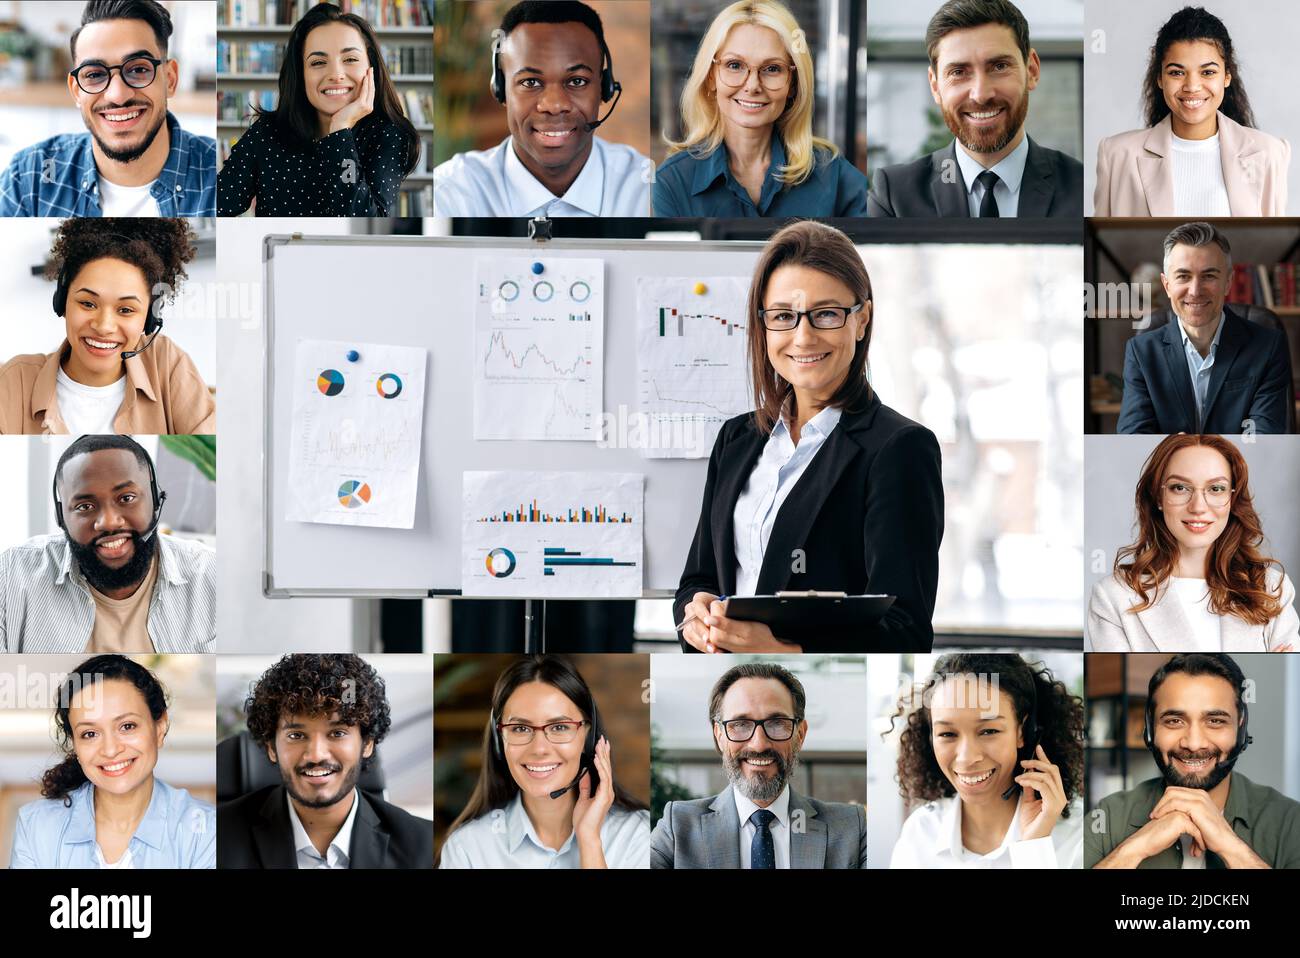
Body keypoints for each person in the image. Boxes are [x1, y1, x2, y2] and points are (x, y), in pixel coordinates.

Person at [675, 220, 943, 654]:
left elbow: (906, 629)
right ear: (763, 327)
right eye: (783, 316)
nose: (803, 336)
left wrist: (785, 651)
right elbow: (699, 579)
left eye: (826, 314)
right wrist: (695, 614)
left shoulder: (899, 449)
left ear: (861, 320)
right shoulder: (736, 439)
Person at [433, 0, 651, 217]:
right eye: (530, 82)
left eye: (577, 81)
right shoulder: (449, 193)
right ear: (500, 89)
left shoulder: (645, 188)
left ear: (605, 88)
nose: (554, 106)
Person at [867, 0, 1083, 218]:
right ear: (935, 86)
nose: (980, 94)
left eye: (1000, 66)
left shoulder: (1087, 189)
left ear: (1032, 70)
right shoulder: (894, 196)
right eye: (959, 72)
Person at [0, 435, 215, 654]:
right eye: (85, 506)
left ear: (155, 499)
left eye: (126, 498)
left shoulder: (213, 575)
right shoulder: (11, 575)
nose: (109, 522)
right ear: (61, 516)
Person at [0, 0, 216, 217]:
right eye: (94, 75)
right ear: (76, 91)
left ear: (170, 79)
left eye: (139, 69)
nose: (118, 95)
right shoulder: (28, 178)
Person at [653, 0, 868, 217]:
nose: (753, 85)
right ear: (711, 78)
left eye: (772, 69)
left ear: (793, 84)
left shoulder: (835, 176)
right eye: (734, 65)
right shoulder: (672, 181)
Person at [218, 654, 434, 869]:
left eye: (337, 733)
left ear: (367, 743)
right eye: (296, 735)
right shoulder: (217, 839)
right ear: (271, 748)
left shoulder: (425, 847)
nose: (316, 755)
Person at [0, 217, 213, 434]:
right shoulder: (15, 381)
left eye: (126, 310)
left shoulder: (166, 363)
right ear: (63, 301)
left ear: (149, 318)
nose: (103, 326)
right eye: (88, 303)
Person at [1088, 434, 1297, 653]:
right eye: (1180, 488)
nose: (1198, 507)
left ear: (1232, 499)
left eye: (1216, 489)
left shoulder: (1272, 587)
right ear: (1159, 497)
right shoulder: (1113, 596)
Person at [1088, 653, 1300, 868]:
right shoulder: (1108, 815)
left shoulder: (1291, 821)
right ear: (1150, 730)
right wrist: (1133, 849)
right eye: (1174, 721)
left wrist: (1231, 847)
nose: (1194, 743)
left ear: (1241, 729)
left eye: (1215, 721)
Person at [437, 655, 650, 868]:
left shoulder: (637, 835)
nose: (539, 749)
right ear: (498, 739)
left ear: (588, 736)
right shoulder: (467, 849)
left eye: (559, 727)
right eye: (520, 729)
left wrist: (590, 841)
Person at [650, 662, 866, 868]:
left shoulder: (851, 828)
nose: (759, 744)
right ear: (719, 736)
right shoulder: (678, 826)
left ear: (800, 734)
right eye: (741, 724)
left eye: (777, 724)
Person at [9, 654, 215, 868]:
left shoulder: (206, 830)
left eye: (127, 726)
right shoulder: (36, 825)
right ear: (75, 745)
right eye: (90, 734)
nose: (110, 750)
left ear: (160, 727)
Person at [218, 2, 420, 216]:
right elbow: (217, 204)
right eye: (317, 62)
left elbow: (363, 221)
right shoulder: (267, 133)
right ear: (301, 74)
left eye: (350, 59)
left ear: (371, 68)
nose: (336, 74)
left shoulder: (388, 136)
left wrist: (340, 131)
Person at [888, 654, 1084, 868]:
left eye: (989, 731)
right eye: (947, 734)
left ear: (1022, 731)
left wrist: (1034, 848)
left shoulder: (1078, 834)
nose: (967, 758)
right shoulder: (920, 832)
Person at [1093, 7, 1289, 217]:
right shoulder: (1117, 155)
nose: (1192, 86)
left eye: (1208, 72)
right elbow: (1100, 243)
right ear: (1160, 78)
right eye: (1177, 72)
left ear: (1227, 77)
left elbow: (1275, 245)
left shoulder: (1270, 153)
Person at [1117, 223, 1293, 435]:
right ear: (1166, 285)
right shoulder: (1140, 352)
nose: (1195, 290)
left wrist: (1180, 448)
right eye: (1183, 276)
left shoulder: (1268, 347)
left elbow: (1265, 438)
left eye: (1209, 276)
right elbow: (1133, 439)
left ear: (1228, 282)